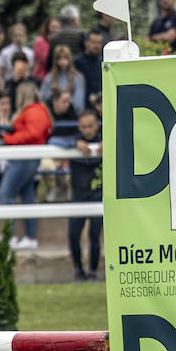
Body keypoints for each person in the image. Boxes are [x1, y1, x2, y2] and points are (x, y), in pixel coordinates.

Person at [0, 82, 51, 251]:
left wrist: (8, 139)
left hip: (25, 158)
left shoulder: (34, 110)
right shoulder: (37, 110)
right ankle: (29, 237)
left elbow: (33, 134)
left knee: (5, 193)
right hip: (29, 158)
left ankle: (10, 237)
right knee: (27, 197)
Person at [68, 111, 102, 281]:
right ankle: (79, 271)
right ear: (79, 127)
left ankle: (93, 272)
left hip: (98, 195)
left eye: (91, 126)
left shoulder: (106, 139)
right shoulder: (74, 140)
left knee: (94, 237)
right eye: (84, 127)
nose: (88, 130)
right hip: (78, 196)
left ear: (97, 125)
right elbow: (53, 141)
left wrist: (108, 142)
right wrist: (74, 143)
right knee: (73, 236)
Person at [40, 45, 86, 112]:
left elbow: (79, 102)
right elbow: (44, 98)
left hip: (72, 115)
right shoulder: (49, 77)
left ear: (70, 59)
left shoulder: (77, 77)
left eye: (65, 58)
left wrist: (65, 105)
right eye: (59, 58)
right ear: (55, 60)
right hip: (53, 114)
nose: (62, 61)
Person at [47, 5, 84, 72]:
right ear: (75, 20)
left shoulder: (54, 37)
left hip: (59, 74)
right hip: (78, 72)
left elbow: (49, 62)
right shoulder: (80, 35)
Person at [73, 30, 103, 107]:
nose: (96, 46)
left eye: (99, 43)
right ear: (85, 43)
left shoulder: (103, 62)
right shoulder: (77, 62)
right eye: (93, 42)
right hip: (83, 104)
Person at [32, 16, 56, 81]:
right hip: (41, 76)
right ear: (47, 27)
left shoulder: (59, 40)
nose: (55, 29)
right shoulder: (40, 41)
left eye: (57, 27)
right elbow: (45, 59)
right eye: (53, 27)